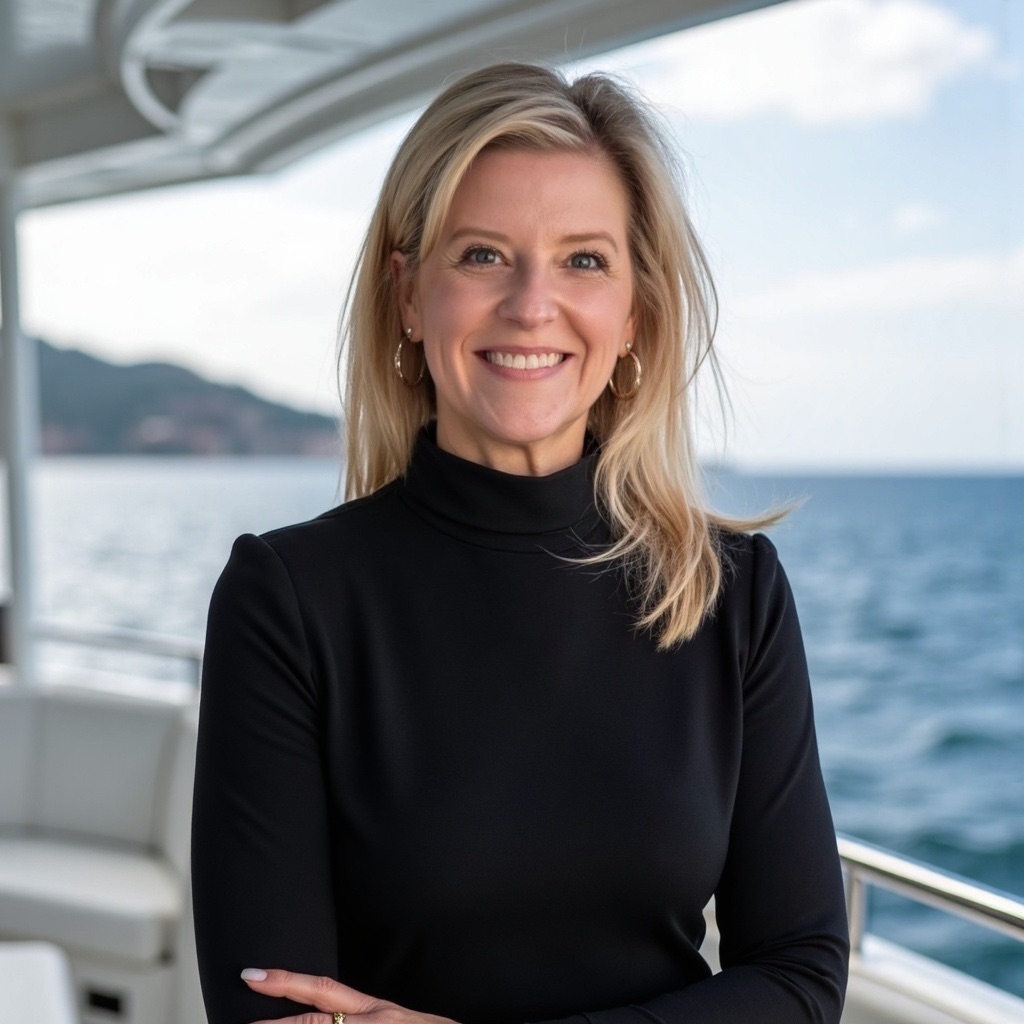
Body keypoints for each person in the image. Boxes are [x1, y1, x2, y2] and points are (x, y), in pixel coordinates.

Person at [191, 62, 849, 1024]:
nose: (532, 304)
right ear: (407, 295)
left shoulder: (729, 590)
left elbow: (801, 977)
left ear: (635, 311)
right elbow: (272, 1013)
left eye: (584, 261)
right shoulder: (289, 598)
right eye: (483, 255)